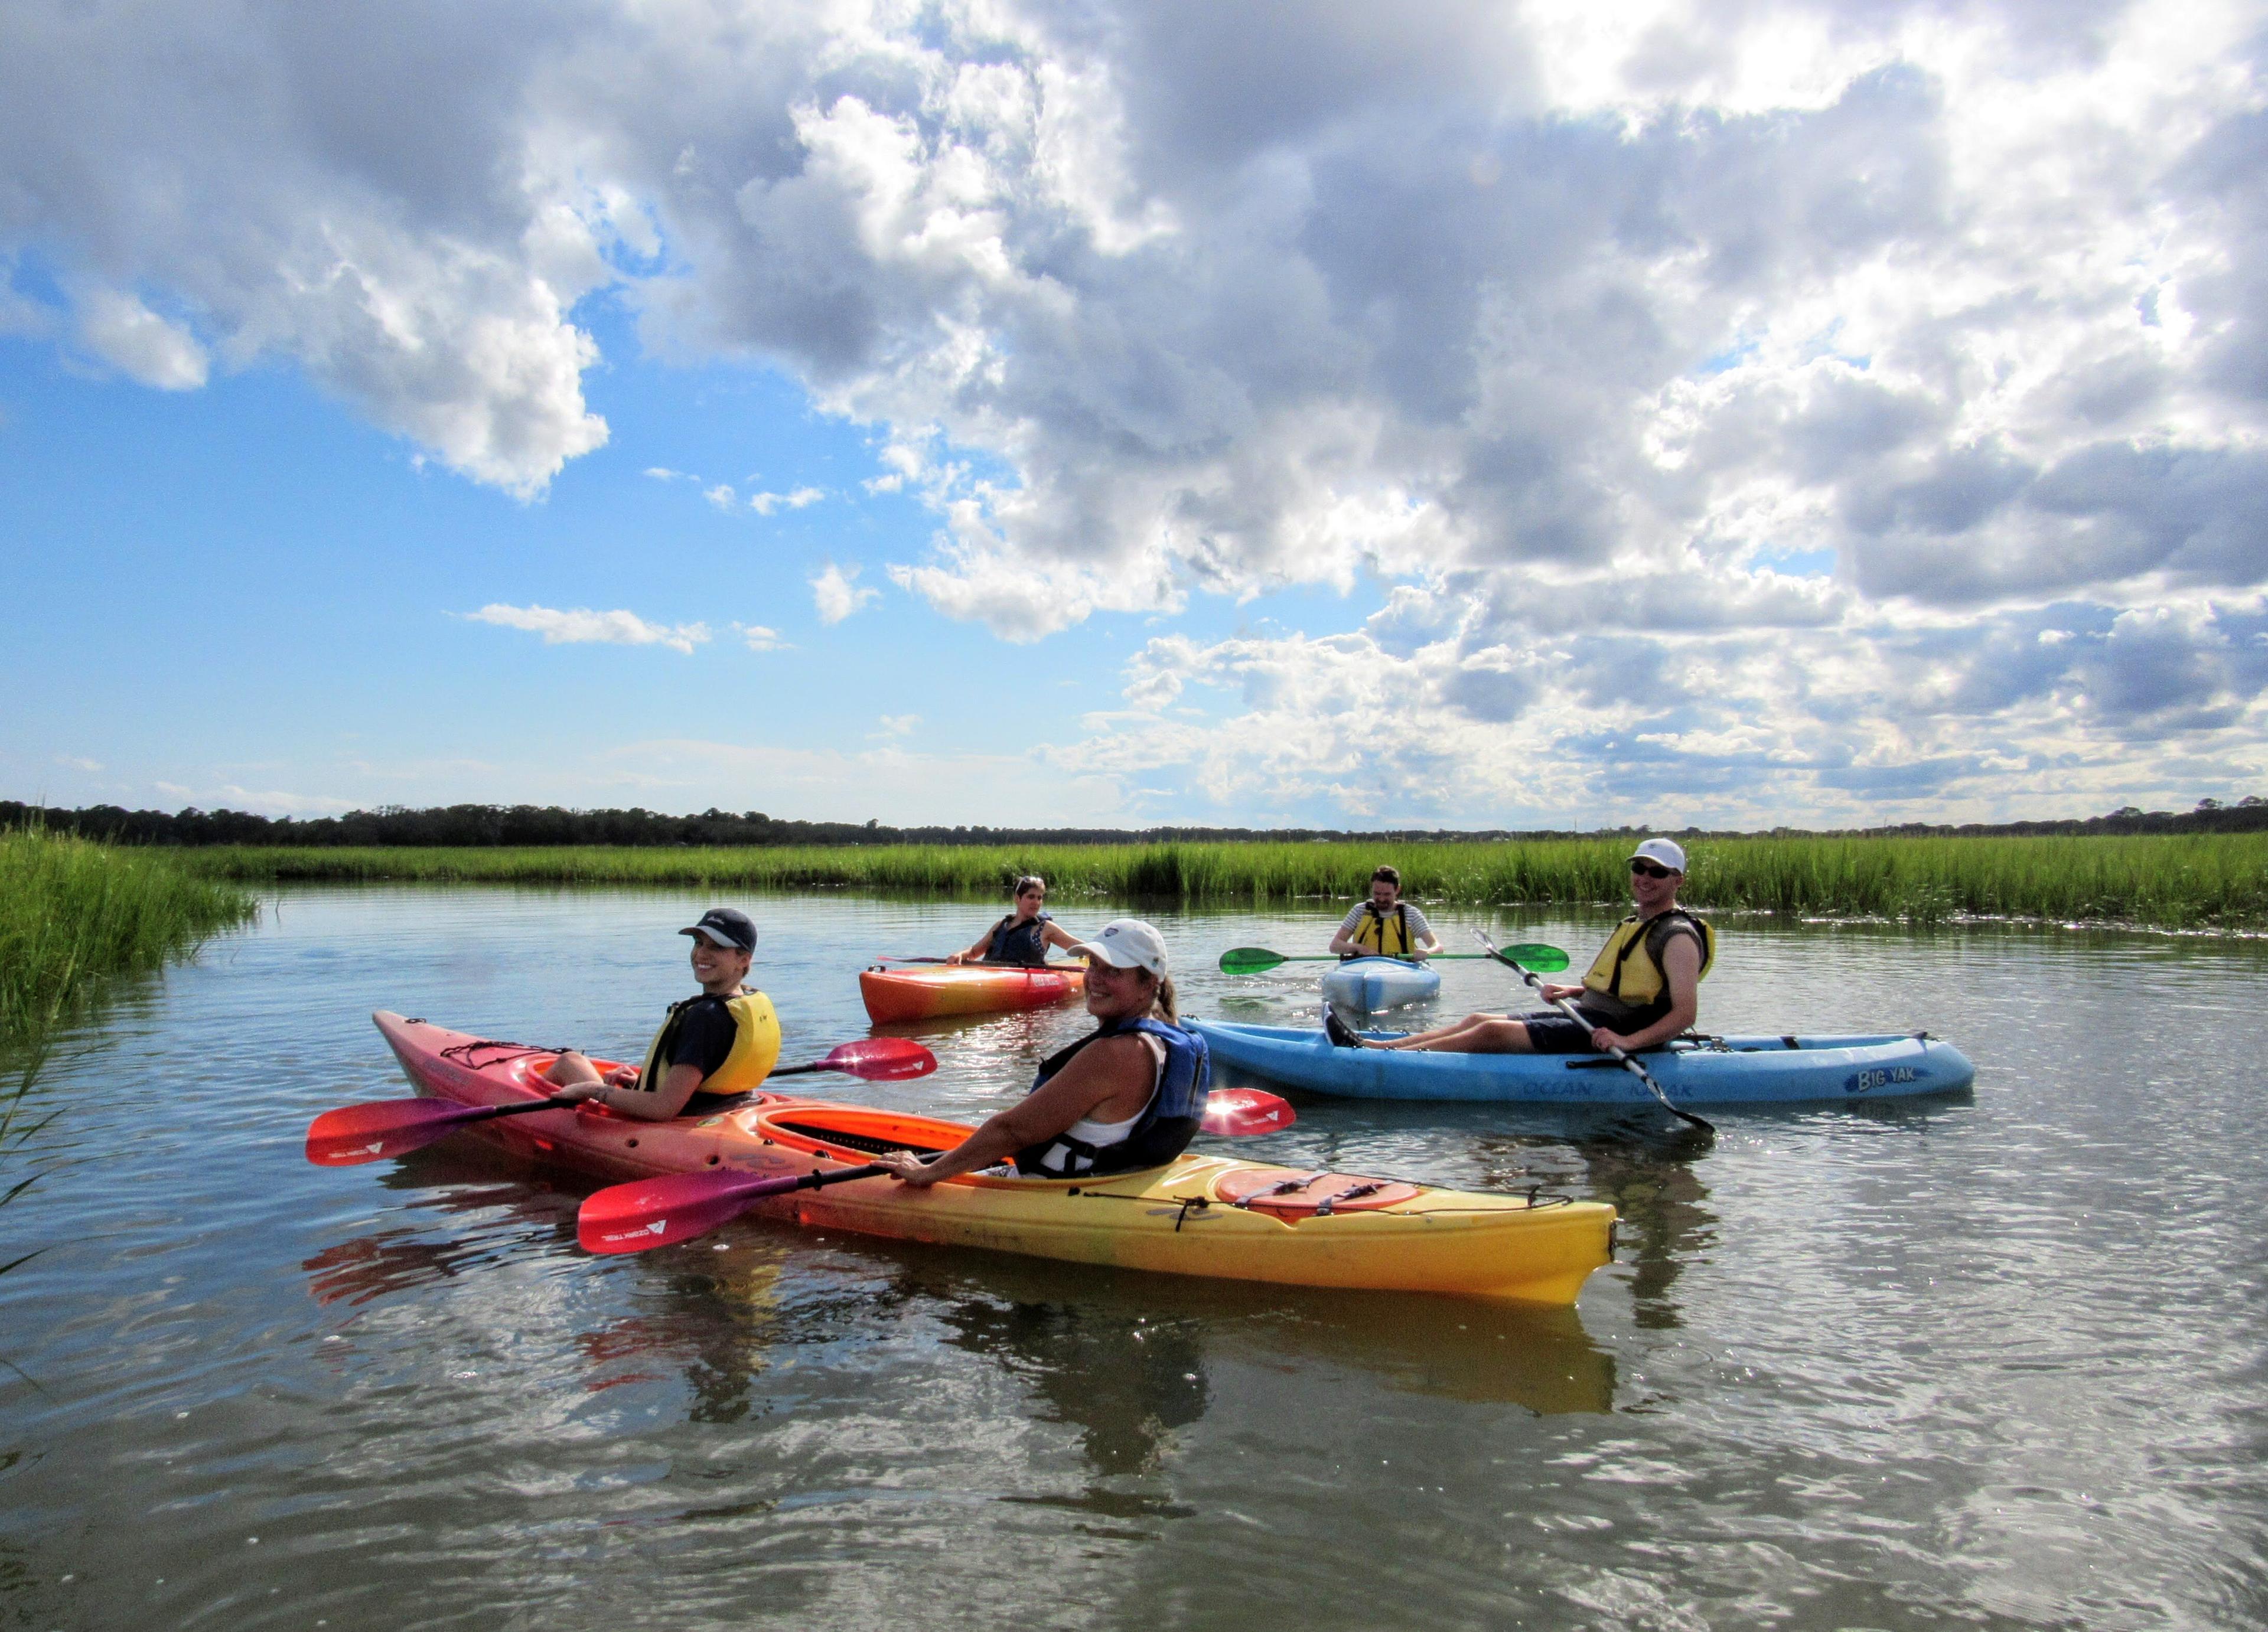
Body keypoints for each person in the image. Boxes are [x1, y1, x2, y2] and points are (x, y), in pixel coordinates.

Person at [874, 919, 1210, 1185]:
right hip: (1109, 1184)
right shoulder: (1165, 1036)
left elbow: (1012, 1131)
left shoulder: (1117, 1052)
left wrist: (925, 1173)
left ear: (1149, 982)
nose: (1095, 979)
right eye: (1094, 964)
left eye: (1114, 971)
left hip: (1055, 1192)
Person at [1329, 839, 1713, 1056]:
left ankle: (1384, 1058)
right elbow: (1625, 986)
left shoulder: (1677, 935)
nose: (1645, 878)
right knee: (1478, 1019)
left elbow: (1683, 1014)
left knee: (1492, 1033)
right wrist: (1574, 991)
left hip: (1619, 1032)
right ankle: (1373, 1045)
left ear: (1677, 881)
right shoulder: (1637, 923)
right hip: (1590, 1015)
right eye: (1640, 869)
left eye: (1658, 872)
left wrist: (1627, 1042)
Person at [542, 908, 782, 1121]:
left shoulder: (705, 1016)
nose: (701, 955)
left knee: (570, 1062)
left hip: (682, 1123)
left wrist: (592, 1091)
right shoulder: (747, 1001)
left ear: (744, 959)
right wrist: (641, 1081)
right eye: (698, 943)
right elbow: (707, 1076)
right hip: (726, 1107)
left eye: (717, 947)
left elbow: (664, 1108)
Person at [946, 874, 1084, 966]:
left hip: (1022, 979)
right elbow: (974, 952)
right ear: (1017, 899)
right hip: (989, 975)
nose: (1036, 902)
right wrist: (960, 954)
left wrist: (1099, 953)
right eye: (1031, 897)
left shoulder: (1045, 928)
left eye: (1039, 898)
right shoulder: (1000, 926)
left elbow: (1081, 948)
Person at [1327, 864, 1443, 961]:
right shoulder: (1359, 911)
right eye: (1377, 894)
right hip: (1363, 967)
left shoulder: (1411, 914)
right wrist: (1360, 949)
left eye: (1387, 894)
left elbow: (1438, 948)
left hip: (1402, 969)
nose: (1381, 899)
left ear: (1397, 890)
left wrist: (1427, 952)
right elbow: (1335, 946)